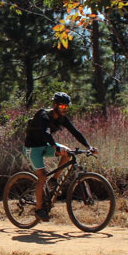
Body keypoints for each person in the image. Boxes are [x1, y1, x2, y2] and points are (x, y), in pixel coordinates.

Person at [23, 92, 97, 222]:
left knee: (67, 153)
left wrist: (88, 146)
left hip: (44, 145)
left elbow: (75, 132)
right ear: (55, 105)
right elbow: (46, 133)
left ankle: (54, 180)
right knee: (41, 176)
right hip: (32, 148)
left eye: (66, 107)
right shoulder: (43, 115)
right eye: (62, 107)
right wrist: (55, 147)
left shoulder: (62, 118)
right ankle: (39, 209)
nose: (64, 109)